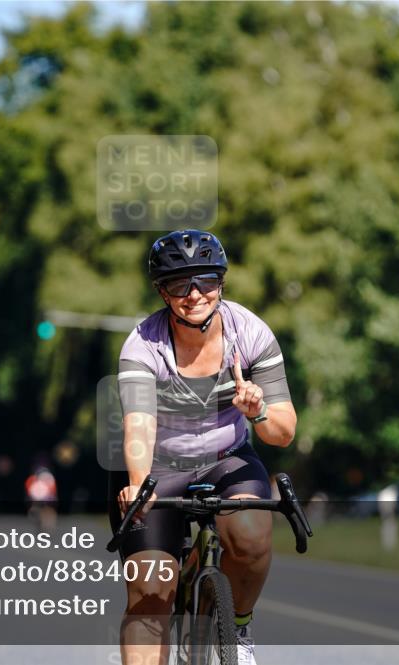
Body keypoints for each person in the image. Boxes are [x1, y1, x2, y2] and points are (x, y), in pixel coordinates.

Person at [109, 229, 297, 665]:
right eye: (179, 284)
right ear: (162, 291)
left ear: (221, 282)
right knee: (151, 594)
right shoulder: (143, 345)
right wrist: (139, 485)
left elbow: (283, 433)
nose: (194, 294)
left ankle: (239, 628)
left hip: (227, 458)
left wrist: (259, 412)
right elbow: (138, 427)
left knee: (251, 535)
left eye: (206, 280)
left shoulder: (250, 333)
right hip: (158, 464)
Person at [25, 460, 58, 533]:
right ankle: (41, 524)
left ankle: (47, 526)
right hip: (37, 500)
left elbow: (52, 491)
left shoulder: (49, 478)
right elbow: (30, 491)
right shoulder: (32, 479)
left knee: (48, 511)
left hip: (47, 500)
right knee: (36, 511)